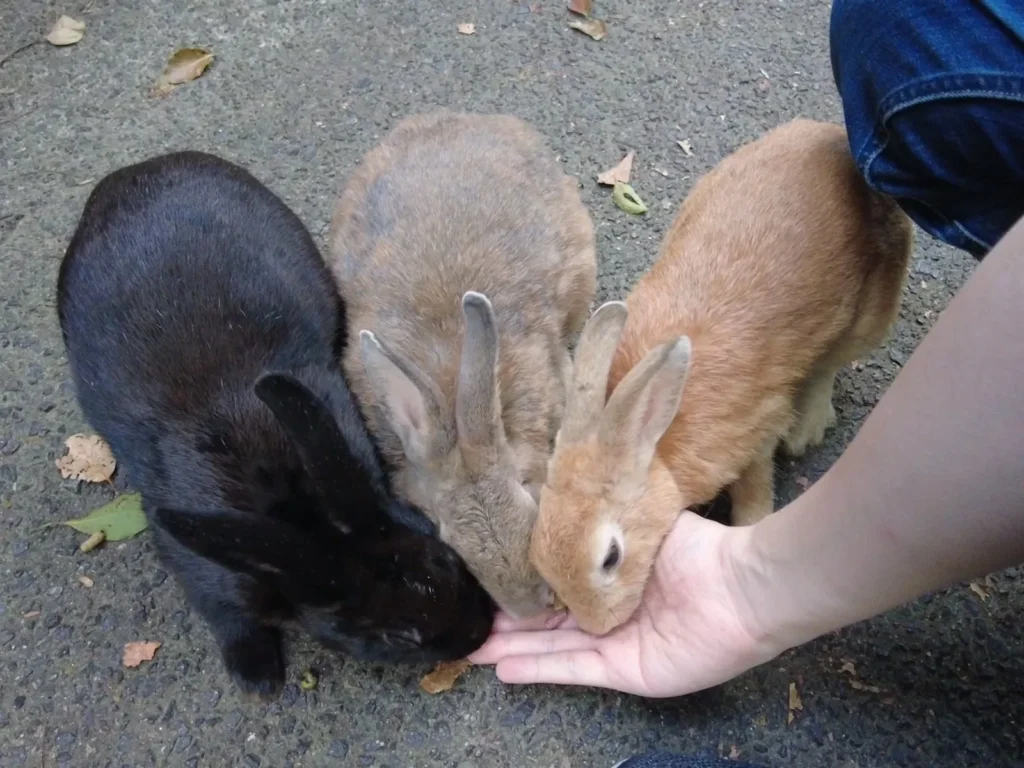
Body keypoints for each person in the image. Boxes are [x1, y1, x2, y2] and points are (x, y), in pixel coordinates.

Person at [470, 1, 1024, 765]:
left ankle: (827, 369)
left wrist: (754, 522)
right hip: (766, 190)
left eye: (608, 560)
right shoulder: (612, 406)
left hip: (848, 252)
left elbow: (756, 427)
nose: (591, 612)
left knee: (824, 360)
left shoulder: (694, 449)